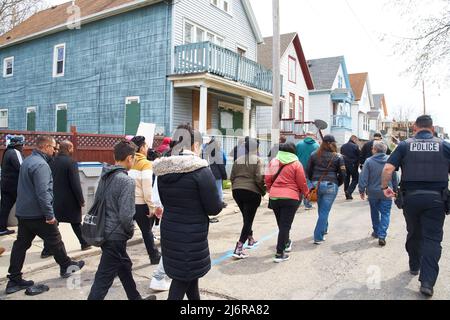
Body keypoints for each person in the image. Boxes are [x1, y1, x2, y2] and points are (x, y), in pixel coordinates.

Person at [6, 136, 84, 295]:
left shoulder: (28, 161)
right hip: (38, 213)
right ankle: (66, 266)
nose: (55, 151)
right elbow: (43, 193)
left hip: (24, 212)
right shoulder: (41, 165)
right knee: (55, 240)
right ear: (46, 147)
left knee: (21, 245)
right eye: (54, 148)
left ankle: (14, 280)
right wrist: (49, 215)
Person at [382, 115, 450, 298]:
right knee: (433, 239)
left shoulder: (405, 145)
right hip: (436, 200)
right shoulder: (444, 145)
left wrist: (384, 188)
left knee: (414, 232)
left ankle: (414, 264)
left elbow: (388, 169)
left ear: (414, 127)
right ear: (432, 128)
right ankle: (427, 282)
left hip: (411, 199)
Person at [153, 124, 222, 300]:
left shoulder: (163, 170)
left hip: (170, 230)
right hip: (191, 234)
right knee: (182, 280)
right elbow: (213, 208)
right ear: (195, 145)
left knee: (189, 277)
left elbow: (163, 199)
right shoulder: (200, 170)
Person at [88, 140, 154, 300]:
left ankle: (135, 298)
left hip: (104, 231)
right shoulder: (126, 181)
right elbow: (126, 214)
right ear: (130, 158)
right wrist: (130, 230)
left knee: (124, 267)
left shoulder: (105, 175)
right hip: (115, 236)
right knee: (103, 279)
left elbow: (97, 202)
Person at [266, 143, 309, 263]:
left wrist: (271, 189)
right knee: (285, 225)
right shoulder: (296, 164)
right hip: (291, 197)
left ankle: (286, 242)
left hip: (274, 197)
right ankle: (280, 253)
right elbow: (302, 181)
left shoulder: (274, 162)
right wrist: (306, 193)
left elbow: (267, 178)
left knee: (281, 224)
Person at [49, 140, 90, 251]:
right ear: (68, 148)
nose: (73, 150)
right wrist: (81, 200)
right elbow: (75, 184)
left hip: (55, 199)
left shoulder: (52, 161)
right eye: (72, 148)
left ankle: (47, 249)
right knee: (76, 223)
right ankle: (84, 243)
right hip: (70, 200)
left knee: (54, 225)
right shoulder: (71, 162)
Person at [230, 138, 265, 259]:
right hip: (251, 192)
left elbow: (232, 177)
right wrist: (263, 191)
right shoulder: (258, 160)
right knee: (248, 220)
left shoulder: (238, 160)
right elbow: (259, 178)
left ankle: (250, 239)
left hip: (237, 191)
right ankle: (239, 247)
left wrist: (235, 187)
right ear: (256, 148)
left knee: (246, 217)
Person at [307, 135, 346, 245]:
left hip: (317, 184)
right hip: (331, 184)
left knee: (322, 209)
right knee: (325, 210)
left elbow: (308, 171)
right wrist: (338, 182)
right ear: (333, 143)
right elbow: (343, 174)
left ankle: (323, 228)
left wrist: (312, 183)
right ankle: (318, 236)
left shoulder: (314, 154)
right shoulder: (338, 156)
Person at [359, 141, 398, 246]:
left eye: (373, 148)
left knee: (374, 212)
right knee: (386, 213)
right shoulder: (390, 160)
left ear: (375, 150)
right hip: (387, 191)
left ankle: (376, 231)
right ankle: (382, 235)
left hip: (373, 192)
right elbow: (394, 177)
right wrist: (395, 189)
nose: (372, 150)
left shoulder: (369, 161)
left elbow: (363, 177)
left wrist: (361, 190)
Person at [129, 136, 161, 265]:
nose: (147, 149)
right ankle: (154, 256)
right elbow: (147, 188)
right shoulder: (145, 163)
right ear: (142, 148)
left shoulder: (129, 161)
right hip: (141, 204)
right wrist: (151, 206)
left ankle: (116, 260)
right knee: (146, 231)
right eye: (146, 146)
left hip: (128, 202)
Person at [0, 136, 25, 236]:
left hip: (5, 184)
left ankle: (1, 229)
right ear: (19, 145)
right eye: (22, 145)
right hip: (14, 186)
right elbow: (22, 168)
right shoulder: (15, 152)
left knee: (4, 207)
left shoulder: (7, 152)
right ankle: (25, 230)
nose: (23, 147)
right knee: (23, 207)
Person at [296, 134, 320, 210]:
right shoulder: (317, 145)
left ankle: (297, 203)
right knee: (309, 187)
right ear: (313, 137)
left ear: (305, 136)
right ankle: (307, 204)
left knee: (299, 186)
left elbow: (295, 155)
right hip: (312, 169)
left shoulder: (299, 144)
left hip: (299, 168)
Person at [203, 137, 228, 209]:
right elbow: (221, 165)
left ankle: (210, 203)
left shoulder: (205, 151)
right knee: (218, 189)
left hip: (207, 173)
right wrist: (224, 175)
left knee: (209, 189)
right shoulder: (217, 152)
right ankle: (220, 203)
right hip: (216, 174)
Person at [340, 135, 361, 200]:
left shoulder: (343, 146)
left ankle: (347, 194)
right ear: (354, 139)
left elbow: (341, 155)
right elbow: (359, 155)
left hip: (344, 165)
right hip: (353, 165)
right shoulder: (355, 146)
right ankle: (349, 191)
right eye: (356, 140)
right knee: (356, 178)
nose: (357, 142)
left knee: (346, 179)